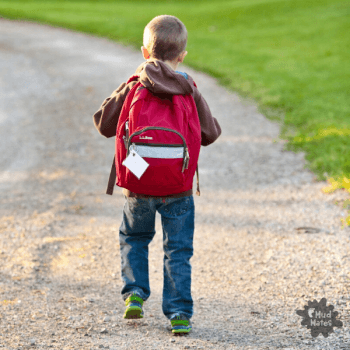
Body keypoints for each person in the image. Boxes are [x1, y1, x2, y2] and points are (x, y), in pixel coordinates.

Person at [93, 15, 221, 334]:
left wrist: (130, 82)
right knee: (177, 249)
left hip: (139, 186)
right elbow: (210, 133)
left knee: (134, 237)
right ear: (182, 56)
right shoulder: (188, 86)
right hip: (178, 187)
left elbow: (103, 123)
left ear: (144, 53)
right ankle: (179, 313)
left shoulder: (135, 84)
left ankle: (135, 294)